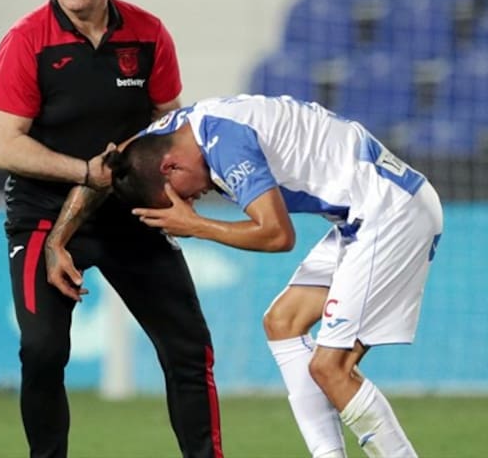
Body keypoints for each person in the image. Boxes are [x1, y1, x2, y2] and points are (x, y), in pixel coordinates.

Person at [0, 0, 224, 458]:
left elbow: (173, 124)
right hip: (44, 215)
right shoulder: (26, 42)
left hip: (130, 214)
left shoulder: (148, 35)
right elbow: (4, 146)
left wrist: (181, 193)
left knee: (189, 347)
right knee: (42, 351)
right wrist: (84, 173)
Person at [101, 94, 443, 458]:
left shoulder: (227, 145)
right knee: (282, 322)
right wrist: (59, 238)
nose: (193, 201)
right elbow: (110, 162)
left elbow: (279, 235)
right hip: (366, 212)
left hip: (390, 214)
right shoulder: (174, 130)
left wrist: (196, 226)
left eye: (181, 197)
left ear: (170, 168)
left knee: (332, 368)